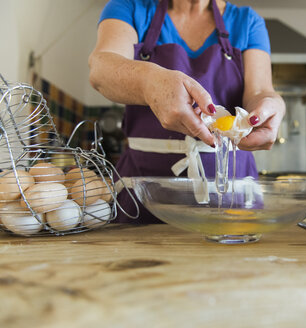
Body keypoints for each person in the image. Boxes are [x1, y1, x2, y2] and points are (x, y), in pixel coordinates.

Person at [89, 0, 285, 224]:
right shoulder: (131, 8)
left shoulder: (248, 22)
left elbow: (260, 91)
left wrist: (272, 104)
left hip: (234, 198)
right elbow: (101, 68)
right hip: (140, 199)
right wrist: (150, 82)